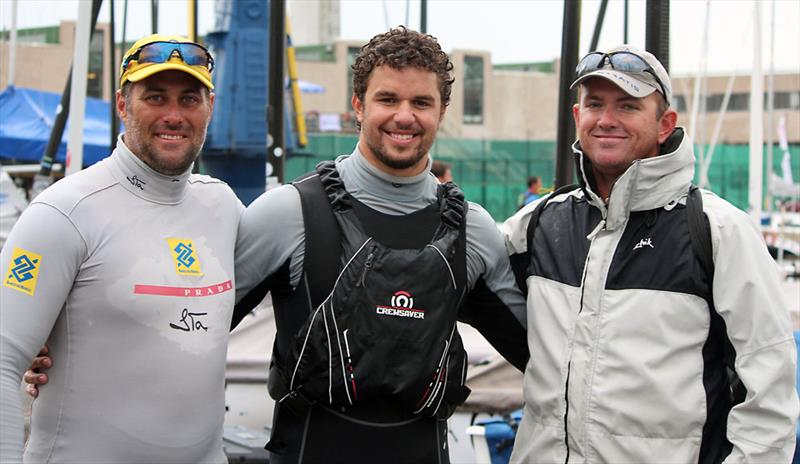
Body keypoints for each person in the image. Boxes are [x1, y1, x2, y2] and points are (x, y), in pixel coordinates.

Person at [231, 26, 527, 463]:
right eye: (388, 99)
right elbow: (195, 335)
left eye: (421, 102)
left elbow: (547, 359)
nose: (404, 116)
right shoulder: (287, 214)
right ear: (358, 105)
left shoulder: (473, 231)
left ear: (441, 111)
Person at [503, 44, 798, 463]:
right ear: (577, 117)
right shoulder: (537, 223)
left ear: (665, 124)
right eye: (595, 104)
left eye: (627, 106)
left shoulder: (718, 231)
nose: (606, 120)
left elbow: (771, 393)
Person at [0, 34, 243, 462]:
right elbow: (3, 360)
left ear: (210, 107)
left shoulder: (223, 207)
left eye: (189, 99)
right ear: (122, 104)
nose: (173, 115)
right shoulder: (63, 213)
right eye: (154, 97)